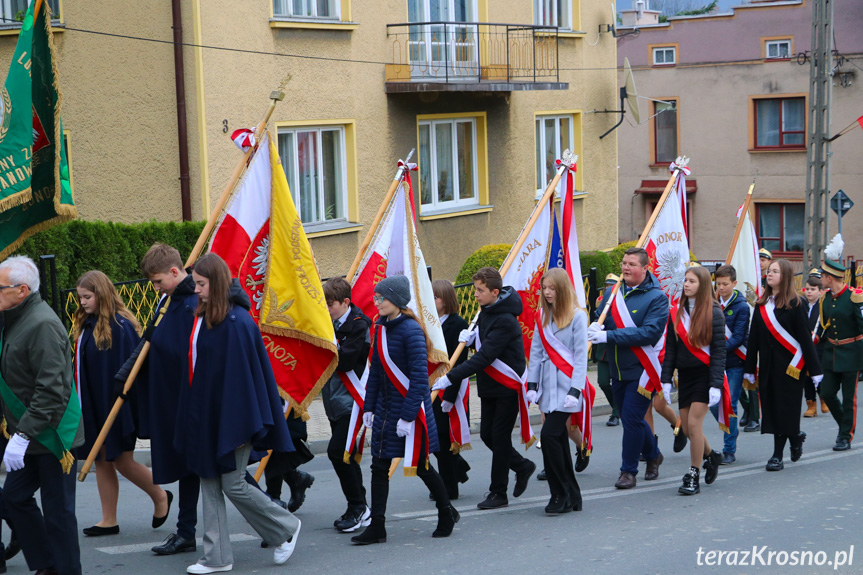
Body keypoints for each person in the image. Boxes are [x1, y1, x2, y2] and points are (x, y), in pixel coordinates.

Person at [177, 253, 300, 573]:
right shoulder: (207, 316)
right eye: (195, 284)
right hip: (208, 415)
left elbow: (244, 380)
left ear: (215, 283)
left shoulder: (237, 321)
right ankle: (216, 557)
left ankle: (285, 526)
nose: (196, 290)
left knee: (233, 484)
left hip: (236, 417)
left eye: (202, 284)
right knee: (209, 481)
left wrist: (236, 423)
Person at [352, 275, 459, 544]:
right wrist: (368, 407)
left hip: (411, 413)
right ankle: (378, 526)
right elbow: (375, 370)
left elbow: (420, 380)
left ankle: (446, 513)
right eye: (376, 297)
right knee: (378, 466)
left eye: (381, 298)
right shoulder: (381, 327)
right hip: (385, 412)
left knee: (422, 466)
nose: (376, 302)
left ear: (397, 300)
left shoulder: (411, 330)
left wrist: (409, 416)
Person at [0, 255, 85, 574]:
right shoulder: (14, 318)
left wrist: (21, 436)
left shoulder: (42, 324)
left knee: (58, 512)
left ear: (21, 290)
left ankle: (65, 570)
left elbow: (51, 389)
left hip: (51, 435)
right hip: (30, 431)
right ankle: (47, 564)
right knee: (14, 498)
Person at [72, 270, 171, 536]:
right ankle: (108, 519)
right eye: (80, 297)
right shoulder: (88, 324)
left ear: (102, 294)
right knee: (102, 459)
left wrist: (120, 408)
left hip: (116, 405)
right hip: (94, 404)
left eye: (87, 296)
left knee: (122, 460)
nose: (82, 302)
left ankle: (160, 496)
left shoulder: (120, 326)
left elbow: (129, 372)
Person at [433, 267, 536, 510]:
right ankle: (522, 465)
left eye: (480, 290)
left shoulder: (506, 320)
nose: (476, 295)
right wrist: (469, 340)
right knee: (489, 435)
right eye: (475, 290)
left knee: (499, 438)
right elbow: (481, 346)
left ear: (495, 292)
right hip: (490, 385)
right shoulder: (485, 312)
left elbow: (487, 355)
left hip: (506, 385)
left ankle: (498, 492)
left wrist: (451, 377)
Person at [137, 244, 201, 556]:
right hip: (174, 402)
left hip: (193, 403)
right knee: (189, 469)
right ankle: (186, 532)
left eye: (158, 281)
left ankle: (277, 520)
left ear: (175, 272)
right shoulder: (169, 301)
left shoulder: (193, 304)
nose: (156, 288)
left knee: (229, 475)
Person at [588, 247, 667, 490]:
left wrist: (609, 336)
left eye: (631, 264)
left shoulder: (657, 298)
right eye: (624, 263)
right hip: (617, 368)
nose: (625, 267)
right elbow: (601, 315)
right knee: (629, 418)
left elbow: (649, 333)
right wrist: (595, 324)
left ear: (645, 268)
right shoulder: (613, 291)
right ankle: (653, 453)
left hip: (643, 369)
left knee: (632, 419)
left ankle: (628, 471)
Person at [744, 259, 822, 471]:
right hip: (769, 367)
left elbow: (805, 339)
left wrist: (815, 370)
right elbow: (754, 339)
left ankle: (777, 454)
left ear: (785, 276)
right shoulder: (761, 305)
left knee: (785, 409)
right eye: (769, 271)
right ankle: (795, 436)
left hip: (792, 368)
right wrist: (749, 368)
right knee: (772, 409)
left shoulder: (797, 303)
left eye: (775, 271)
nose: (769, 274)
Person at [526, 268, 587, 513]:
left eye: (552, 288)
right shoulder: (542, 315)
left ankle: (559, 493)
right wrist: (532, 385)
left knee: (549, 437)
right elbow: (536, 352)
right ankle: (572, 495)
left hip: (568, 389)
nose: (547, 292)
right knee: (558, 440)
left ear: (562, 289)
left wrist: (576, 390)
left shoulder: (577, 316)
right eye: (544, 288)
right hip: (549, 390)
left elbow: (582, 357)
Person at [661, 266, 725, 495]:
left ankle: (693, 474)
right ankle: (712, 456)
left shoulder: (714, 313)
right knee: (686, 428)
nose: (686, 284)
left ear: (703, 285)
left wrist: (716, 384)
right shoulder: (677, 312)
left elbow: (718, 352)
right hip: (685, 376)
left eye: (692, 281)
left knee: (695, 425)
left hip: (705, 375)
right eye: (685, 280)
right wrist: (666, 379)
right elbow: (670, 348)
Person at [322, 277, 372, 532]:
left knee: (337, 452)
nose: (327, 309)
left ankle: (358, 507)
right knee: (347, 456)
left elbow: (346, 361)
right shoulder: (326, 323)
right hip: (333, 400)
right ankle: (360, 505)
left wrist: (324, 345)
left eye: (330, 304)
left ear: (345, 303)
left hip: (352, 401)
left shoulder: (359, 325)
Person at [816, 245, 863, 451]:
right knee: (826, 392)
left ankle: (845, 436)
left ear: (830, 278)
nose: (820, 278)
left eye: (823, 275)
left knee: (848, 399)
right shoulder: (825, 298)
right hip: (831, 353)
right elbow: (823, 326)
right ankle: (844, 425)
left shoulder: (855, 297)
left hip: (852, 353)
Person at [430, 279, 471, 500]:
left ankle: (449, 489)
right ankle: (458, 469)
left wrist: (450, 397)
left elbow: (460, 363)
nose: (432, 301)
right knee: (435, 440)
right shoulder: (430, 323)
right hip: (432, 387)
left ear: (446, 300)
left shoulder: (458, 325)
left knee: (444, 440)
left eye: (435, 297)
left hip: (450, 389)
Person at [711, 265, 749, 464]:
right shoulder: (712, 303)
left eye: (725, 284)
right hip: (715, 362)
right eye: (718, 284)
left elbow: (738, 338)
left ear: (734, 284)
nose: (721, 288)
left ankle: (729, 449)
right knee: (712, 404)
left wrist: (715, 350)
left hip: (734, 362)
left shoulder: (741, 306)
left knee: (730, 405)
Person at [594, 274, 620, 427]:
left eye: (611, 285)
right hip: (603, 351)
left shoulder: (621, 302)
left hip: (616, 347)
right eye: (606, 286)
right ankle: (617, 407)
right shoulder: (601, 301)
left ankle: (616, 413)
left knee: (617, 383)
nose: (608, 288)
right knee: (603, 382)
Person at [802, 275, 828, 418]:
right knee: (806, 378)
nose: (809, 292)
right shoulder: (801, 305)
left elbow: (826, 326)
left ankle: (823, 397)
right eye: (807, 289)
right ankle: (811, 404)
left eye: (813, 289)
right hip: (804, 346)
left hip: (819, 347)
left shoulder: (823, 306)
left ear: (820, 291)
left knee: (818, 374)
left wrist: (817, 336)